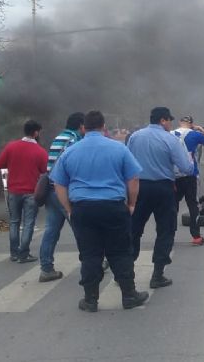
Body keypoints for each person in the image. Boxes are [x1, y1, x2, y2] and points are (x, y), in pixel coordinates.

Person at [50, 111, 149, 312]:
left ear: (84, 128)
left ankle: (90, 299)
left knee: (89, 254)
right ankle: (129, 295)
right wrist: (131, 204)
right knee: (121, 251)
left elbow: (58, 184)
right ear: (104, 127)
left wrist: (69, 209)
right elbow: (134, 179)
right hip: (113, 207)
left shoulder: (70, 152)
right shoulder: (118, 149)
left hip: (83, 209)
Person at [127, 107, 194, 288]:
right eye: (169, 120)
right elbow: (186, 168)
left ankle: (126, 272)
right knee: (165, 230)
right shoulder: (170, 140)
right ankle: (157, 275)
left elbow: (127, 162)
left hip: (139, 187)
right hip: (163, 189)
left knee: (133, 229)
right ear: (163, 120)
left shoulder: (134, 137)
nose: (170, 124)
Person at [39, 112, 85, 282]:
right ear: (81, 126)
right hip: (64, 191)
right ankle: (92, 262)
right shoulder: (75, 140)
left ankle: (46, 268)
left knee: (51, 230)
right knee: (81, 228)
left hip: (51, 190)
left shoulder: (59, 137)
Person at [0, 120, 48, 264]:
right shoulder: (40, 151)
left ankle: (14, 253)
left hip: (13, 190)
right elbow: (44, 170)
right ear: (36, 133)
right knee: (29, 223)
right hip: (31, 191)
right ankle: (24, 253)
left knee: (14, 222)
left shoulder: (11, 146)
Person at [173, 116, 204, 246]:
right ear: (191, 124)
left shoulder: (169, 134)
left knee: (172, 205)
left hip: (173, 176)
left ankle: (168, 234)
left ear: (180, 122)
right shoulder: (195, 134)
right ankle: (196, 237)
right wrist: (201, 129)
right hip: (190, 174)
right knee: (193, 205)